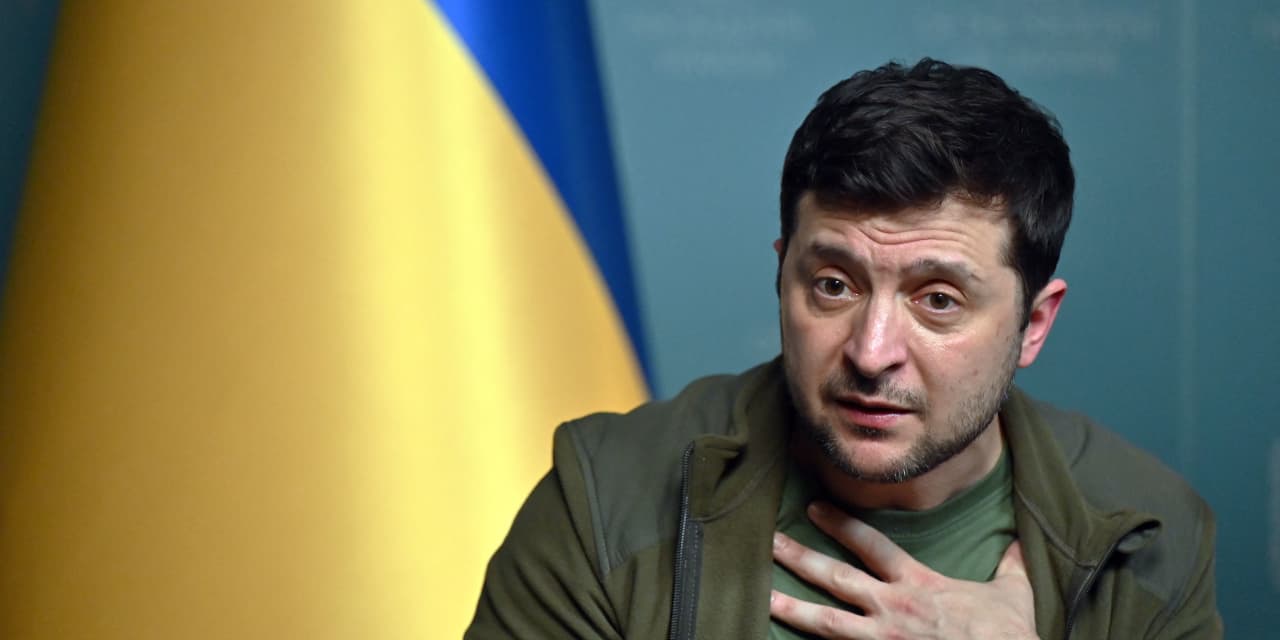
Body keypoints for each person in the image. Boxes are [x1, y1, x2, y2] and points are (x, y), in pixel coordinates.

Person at [465, 58, 1221, 639]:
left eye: (937, 300)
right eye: (833, 285)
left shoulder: (1150, 532)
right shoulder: (605, 500)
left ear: (1034, 324)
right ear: (781, 276)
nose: (871, 351)